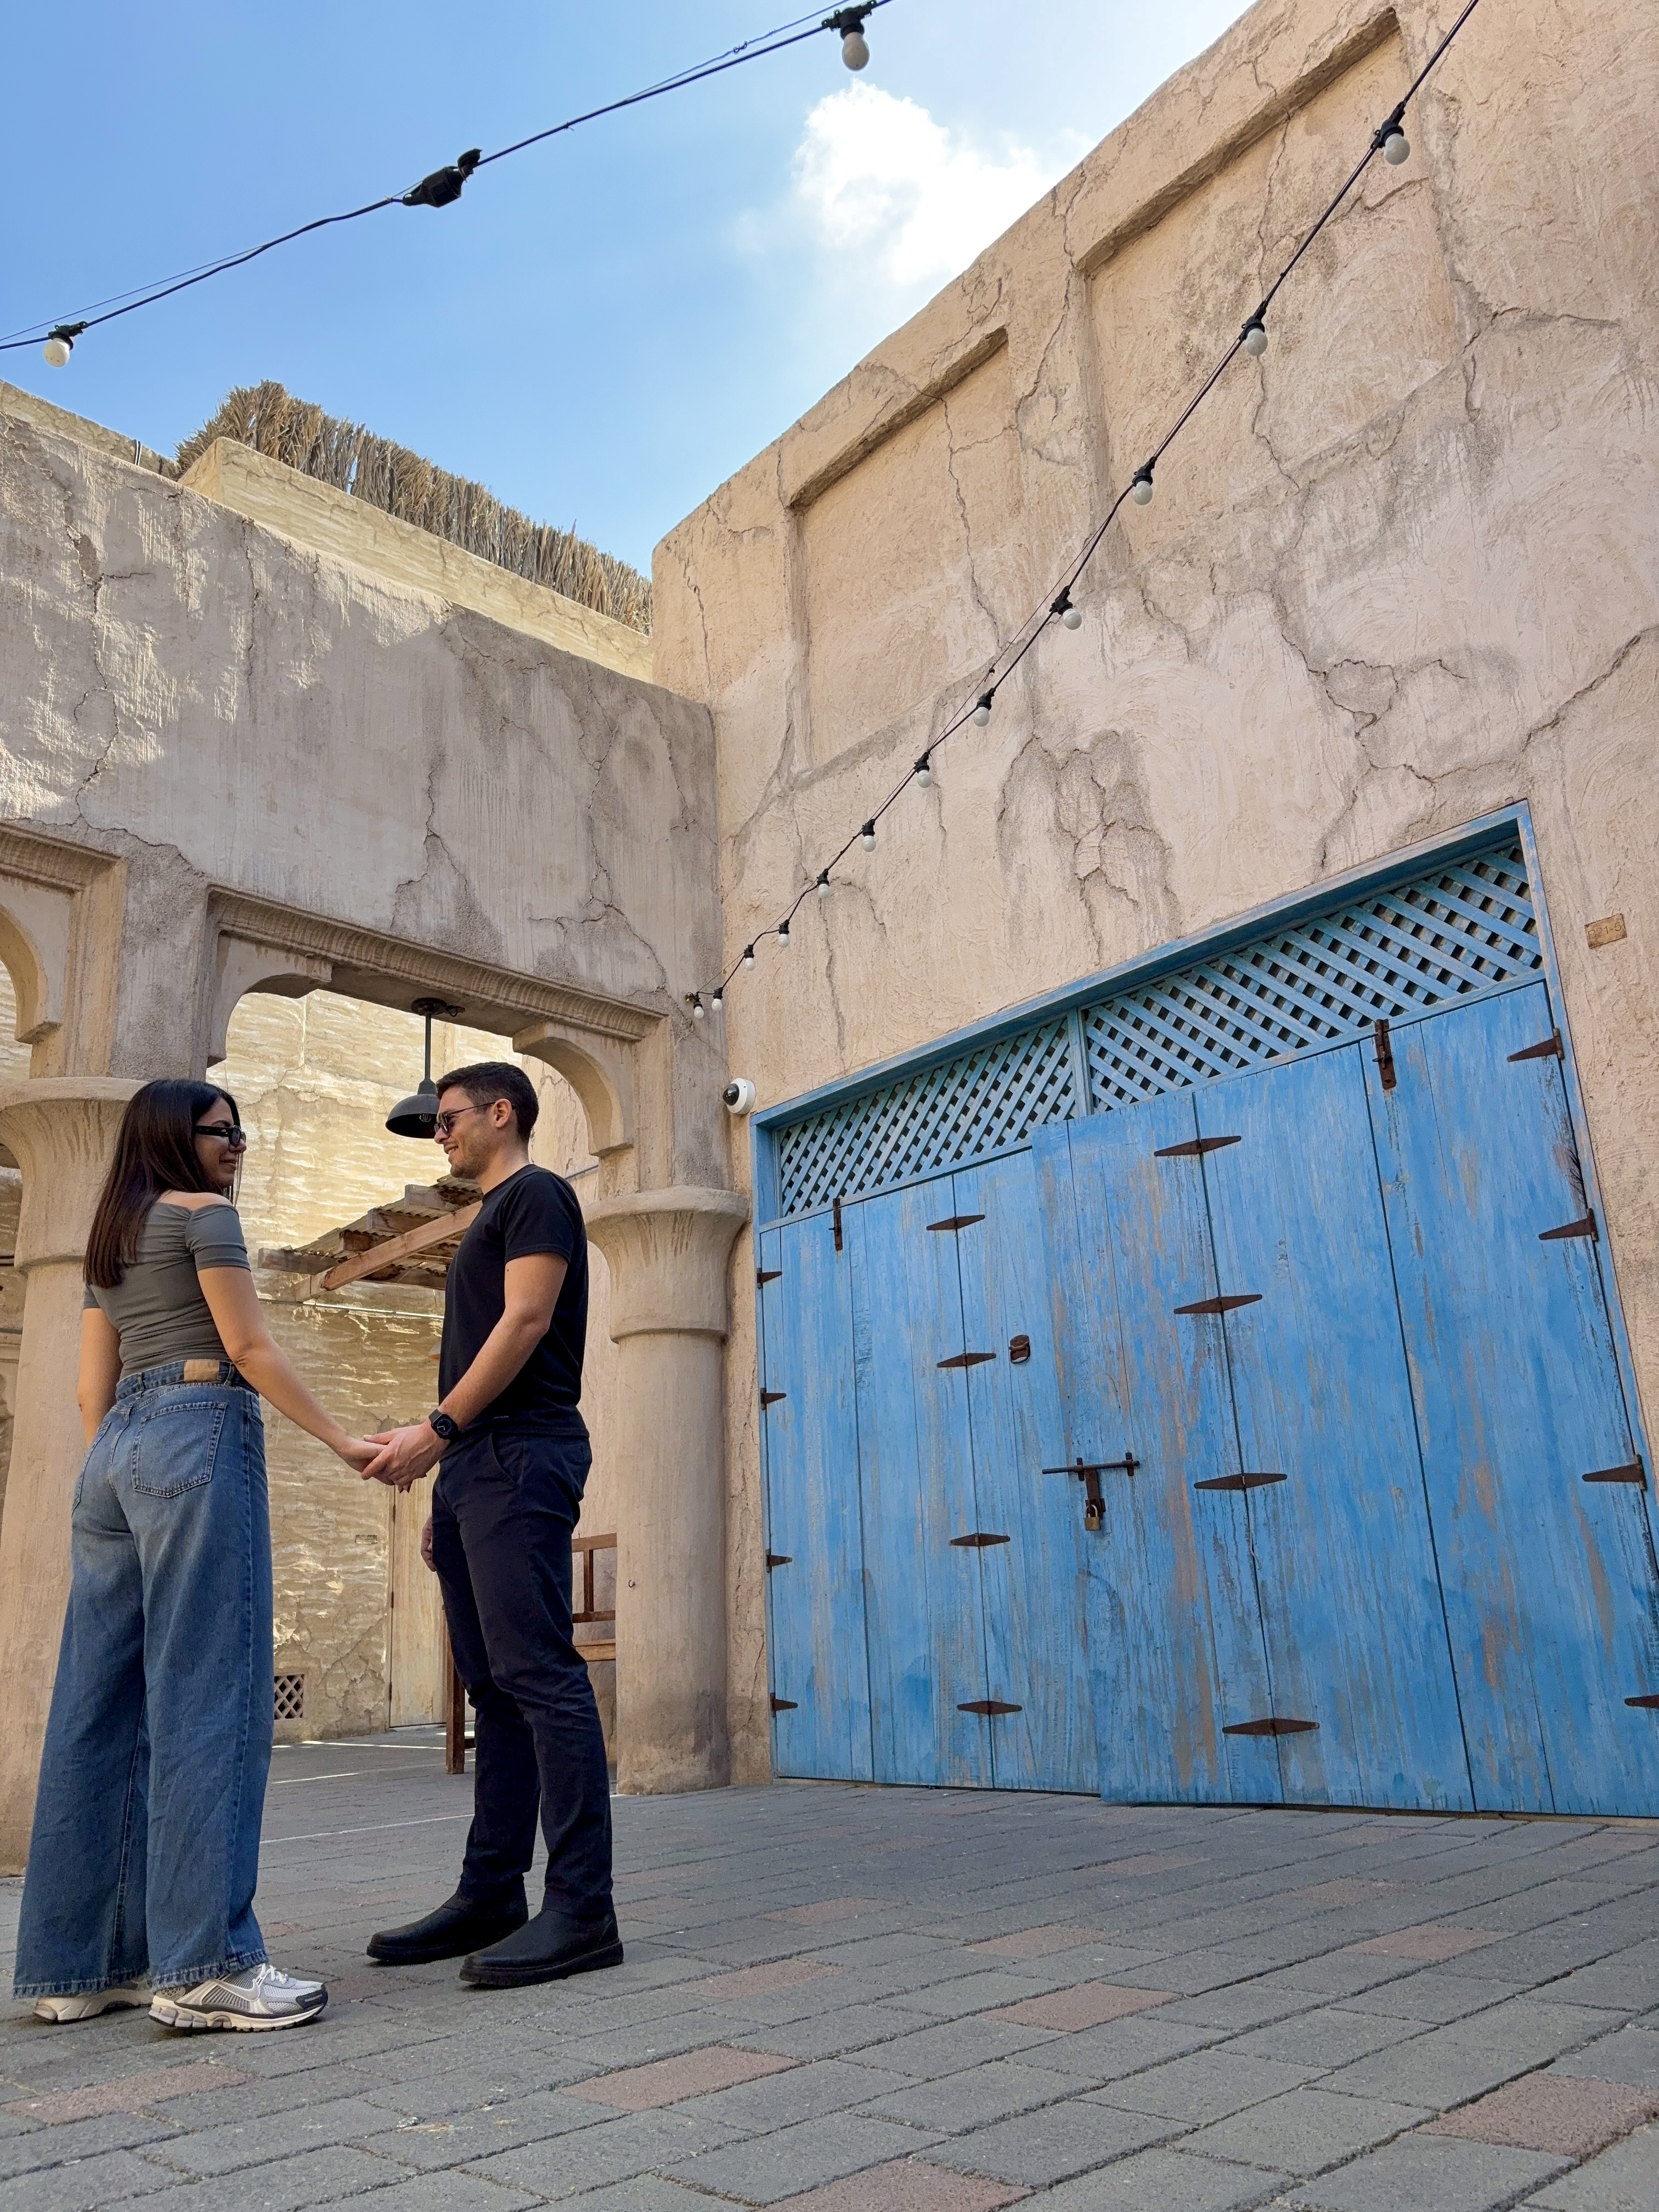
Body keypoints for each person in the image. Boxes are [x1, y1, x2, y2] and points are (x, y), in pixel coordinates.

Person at [14, 1080, 377, 2030]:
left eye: (241, 1131)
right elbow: (250, 1347)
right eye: (222, 1132)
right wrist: (344, 1443)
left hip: (115, 1456)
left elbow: (92, 1390)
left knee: (98, 1705)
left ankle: (77, 1967)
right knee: (210, 1693)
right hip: (197, 1425)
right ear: (176, 1138)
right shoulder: (205, 1218)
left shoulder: (113, 1241)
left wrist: (118, 1473)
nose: (238, 1145)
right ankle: (203, 1968)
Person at [362, 1062, 618, 1990]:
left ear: (501, 1114)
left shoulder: (538, 1194)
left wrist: (437, 1432)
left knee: (543, 1678)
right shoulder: (488, 1215)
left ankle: (584, 1909)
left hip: (519, 1452)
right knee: (495, 1689)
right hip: (479, 1466)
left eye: (450, 1118)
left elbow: (526, 1322)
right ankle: (492, 1891)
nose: (440, 1133)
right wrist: (448, 1480)